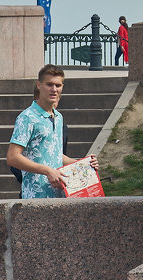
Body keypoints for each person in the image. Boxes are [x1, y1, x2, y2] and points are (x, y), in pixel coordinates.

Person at [7, 64, 98, 198]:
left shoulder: (58, 117)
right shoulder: (27, 117)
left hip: (60, 195)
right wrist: (47, 171)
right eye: (49, 84)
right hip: (35, 197)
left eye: (58, 85)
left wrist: (83, 164)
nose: (54, 89)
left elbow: (54, 154)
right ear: (39, 85)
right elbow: (12, 157)